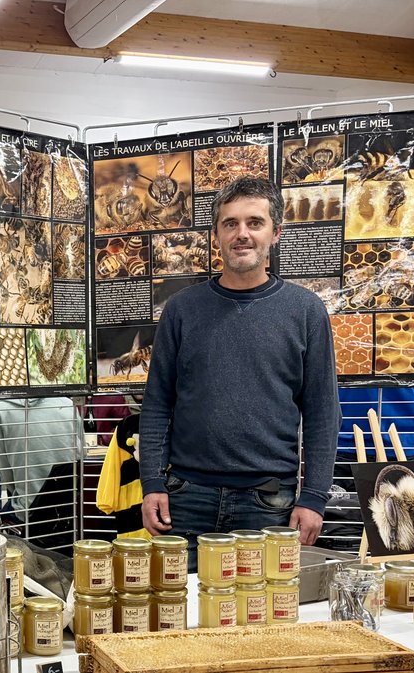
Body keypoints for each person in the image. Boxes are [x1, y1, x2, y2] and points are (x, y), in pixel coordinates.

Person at [138, 176, 340, 556]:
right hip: (185, 498)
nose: (242, 234)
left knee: (264, 613)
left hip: (269, 502)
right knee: (181, 611)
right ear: (216, 235)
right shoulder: (182, 310)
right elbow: (157, 405)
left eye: (254, 223)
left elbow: (322, 412)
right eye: (230, 223)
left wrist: (313, 496)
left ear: (275, 233)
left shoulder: (305, 310)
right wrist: (152, 483)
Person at [0, 397, 86, 549]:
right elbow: (82, 455)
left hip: (28, 509)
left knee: (3, 515)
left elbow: (4, 469)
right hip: (71, 507)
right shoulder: (67, 403)